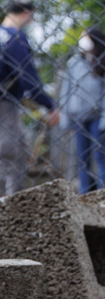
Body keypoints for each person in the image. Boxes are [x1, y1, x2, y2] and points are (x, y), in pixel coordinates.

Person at [0, 0, 60, 198]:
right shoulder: (14, 37)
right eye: (31, 16)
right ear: (26, 13)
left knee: (20, 149)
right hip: (4, 101)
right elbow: (27, 75)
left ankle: (13, 199)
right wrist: (49, 105)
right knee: (5, 152)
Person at [60, 28, 105, 193]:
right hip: (78, 118)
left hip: (98, 118)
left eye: (85, 37)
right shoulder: (74, 62)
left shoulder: (102, 61)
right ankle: (84, 193)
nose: (82, 40)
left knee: (101, 157)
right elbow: (66, 90)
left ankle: (102, 193)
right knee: (82, 158)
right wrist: (65, 120)